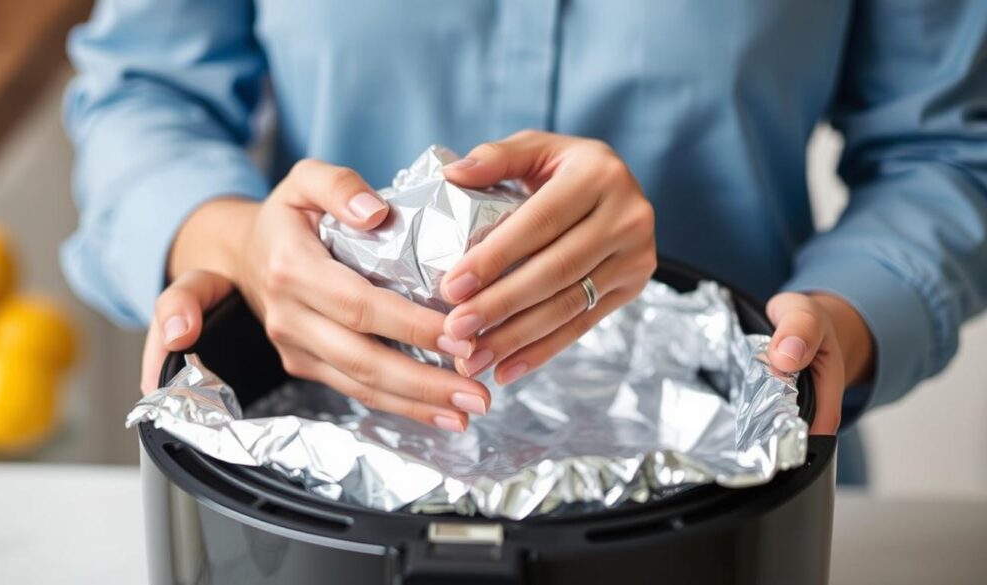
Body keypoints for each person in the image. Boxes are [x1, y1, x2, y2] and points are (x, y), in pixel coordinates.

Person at [63, 1, 987, 483]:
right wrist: (233, 240)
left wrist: (835, 326)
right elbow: (142, 90)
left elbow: (946, 151)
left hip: (728, 490)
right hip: (312, 489)